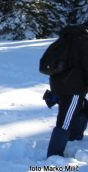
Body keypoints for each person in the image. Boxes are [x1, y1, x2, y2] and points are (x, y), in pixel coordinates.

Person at [47, 24, 88, 158]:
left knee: (81, 109)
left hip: (58, 86)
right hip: (73, 88)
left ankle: (75, 139)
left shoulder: (61, 41)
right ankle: (54, 155)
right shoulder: (83, 42)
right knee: (65, 120)